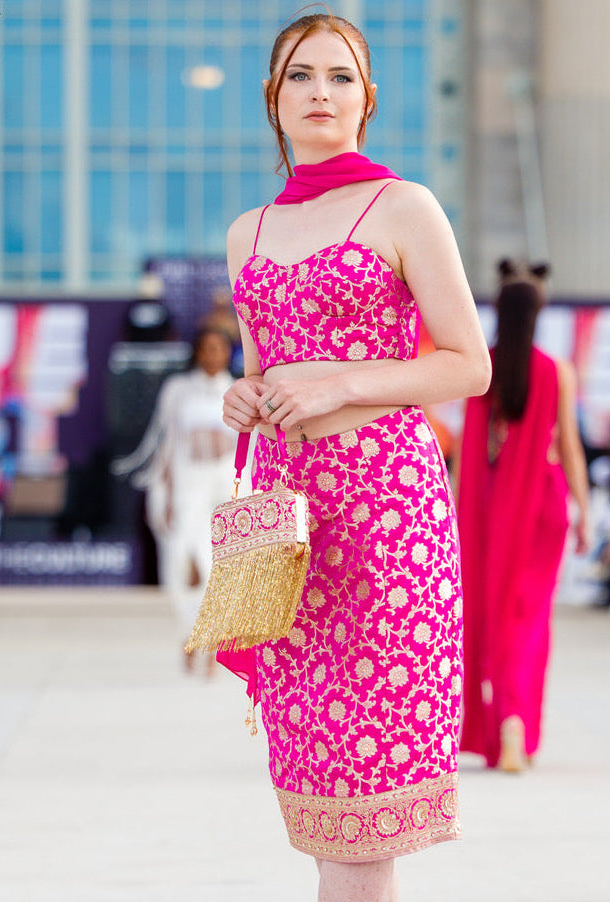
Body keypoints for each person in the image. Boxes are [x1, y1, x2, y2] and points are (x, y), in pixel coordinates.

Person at [219, 12, 491, 902]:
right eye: (301, 76)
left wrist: (340, 384)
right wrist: (244, 397)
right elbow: (265, 373)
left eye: (341, 77)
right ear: (274, 98)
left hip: (383, 513)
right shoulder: (247, 232)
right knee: (311, 775)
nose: (321, 93)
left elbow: (467, 363)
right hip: (283, 518)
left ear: (367, 99)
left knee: (365, 776)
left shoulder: (402, 205)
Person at [458, 259, 590, 773]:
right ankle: (517, 724)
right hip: (544, 508)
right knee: (529, 619)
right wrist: (584, 511)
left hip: (493, 511)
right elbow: (571, 449)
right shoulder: (557, 372)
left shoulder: (482, 370)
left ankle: (500, 724)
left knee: (491, 616)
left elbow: (472, 455)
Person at [113, 326, 236, 673]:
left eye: (220, 348)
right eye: (207, 347)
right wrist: (163, 493)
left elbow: (251, 447)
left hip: (224, 489)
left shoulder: (236, 388)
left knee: (218, 568)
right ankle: (187, 633)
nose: (213, 355)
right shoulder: (178, 390)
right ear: (197, 352)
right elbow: (165, 444)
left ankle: (212, 643)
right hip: (187, 487)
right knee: (181, 564)